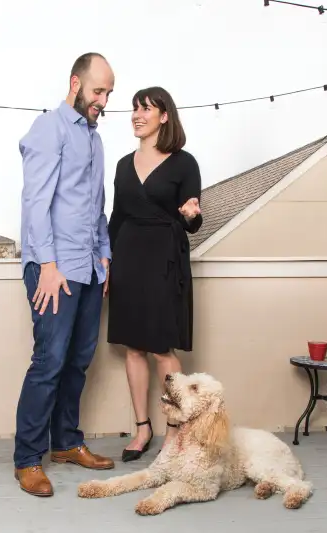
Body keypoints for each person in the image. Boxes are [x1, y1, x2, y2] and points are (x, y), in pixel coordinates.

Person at [14, 52, 116, 497]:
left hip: (89, 269)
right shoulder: (48, 128)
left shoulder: (94, 140)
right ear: (75, 83)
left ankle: (67, 444)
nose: (104, 101)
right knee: (49, 362)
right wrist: (49, 267)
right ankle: (27, 459)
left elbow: (96, 207)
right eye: (99, 91)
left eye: (109, 93)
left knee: (78, 361)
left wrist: (106, 256)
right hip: (54, 268)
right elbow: (36, 202)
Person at [107, 86, 203, 462]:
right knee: (134, 347)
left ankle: (174, 430)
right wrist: (108, 262)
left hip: (165, 258)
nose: (137, 114)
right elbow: (117, 218)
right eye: (134, 108)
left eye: (145, 108)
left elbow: (192, 219)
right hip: (128, 259)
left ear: (164, 116)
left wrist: (192, 214)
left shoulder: (184, 163)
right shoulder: (121, 164)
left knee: (163, 349)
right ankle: (142, 427)